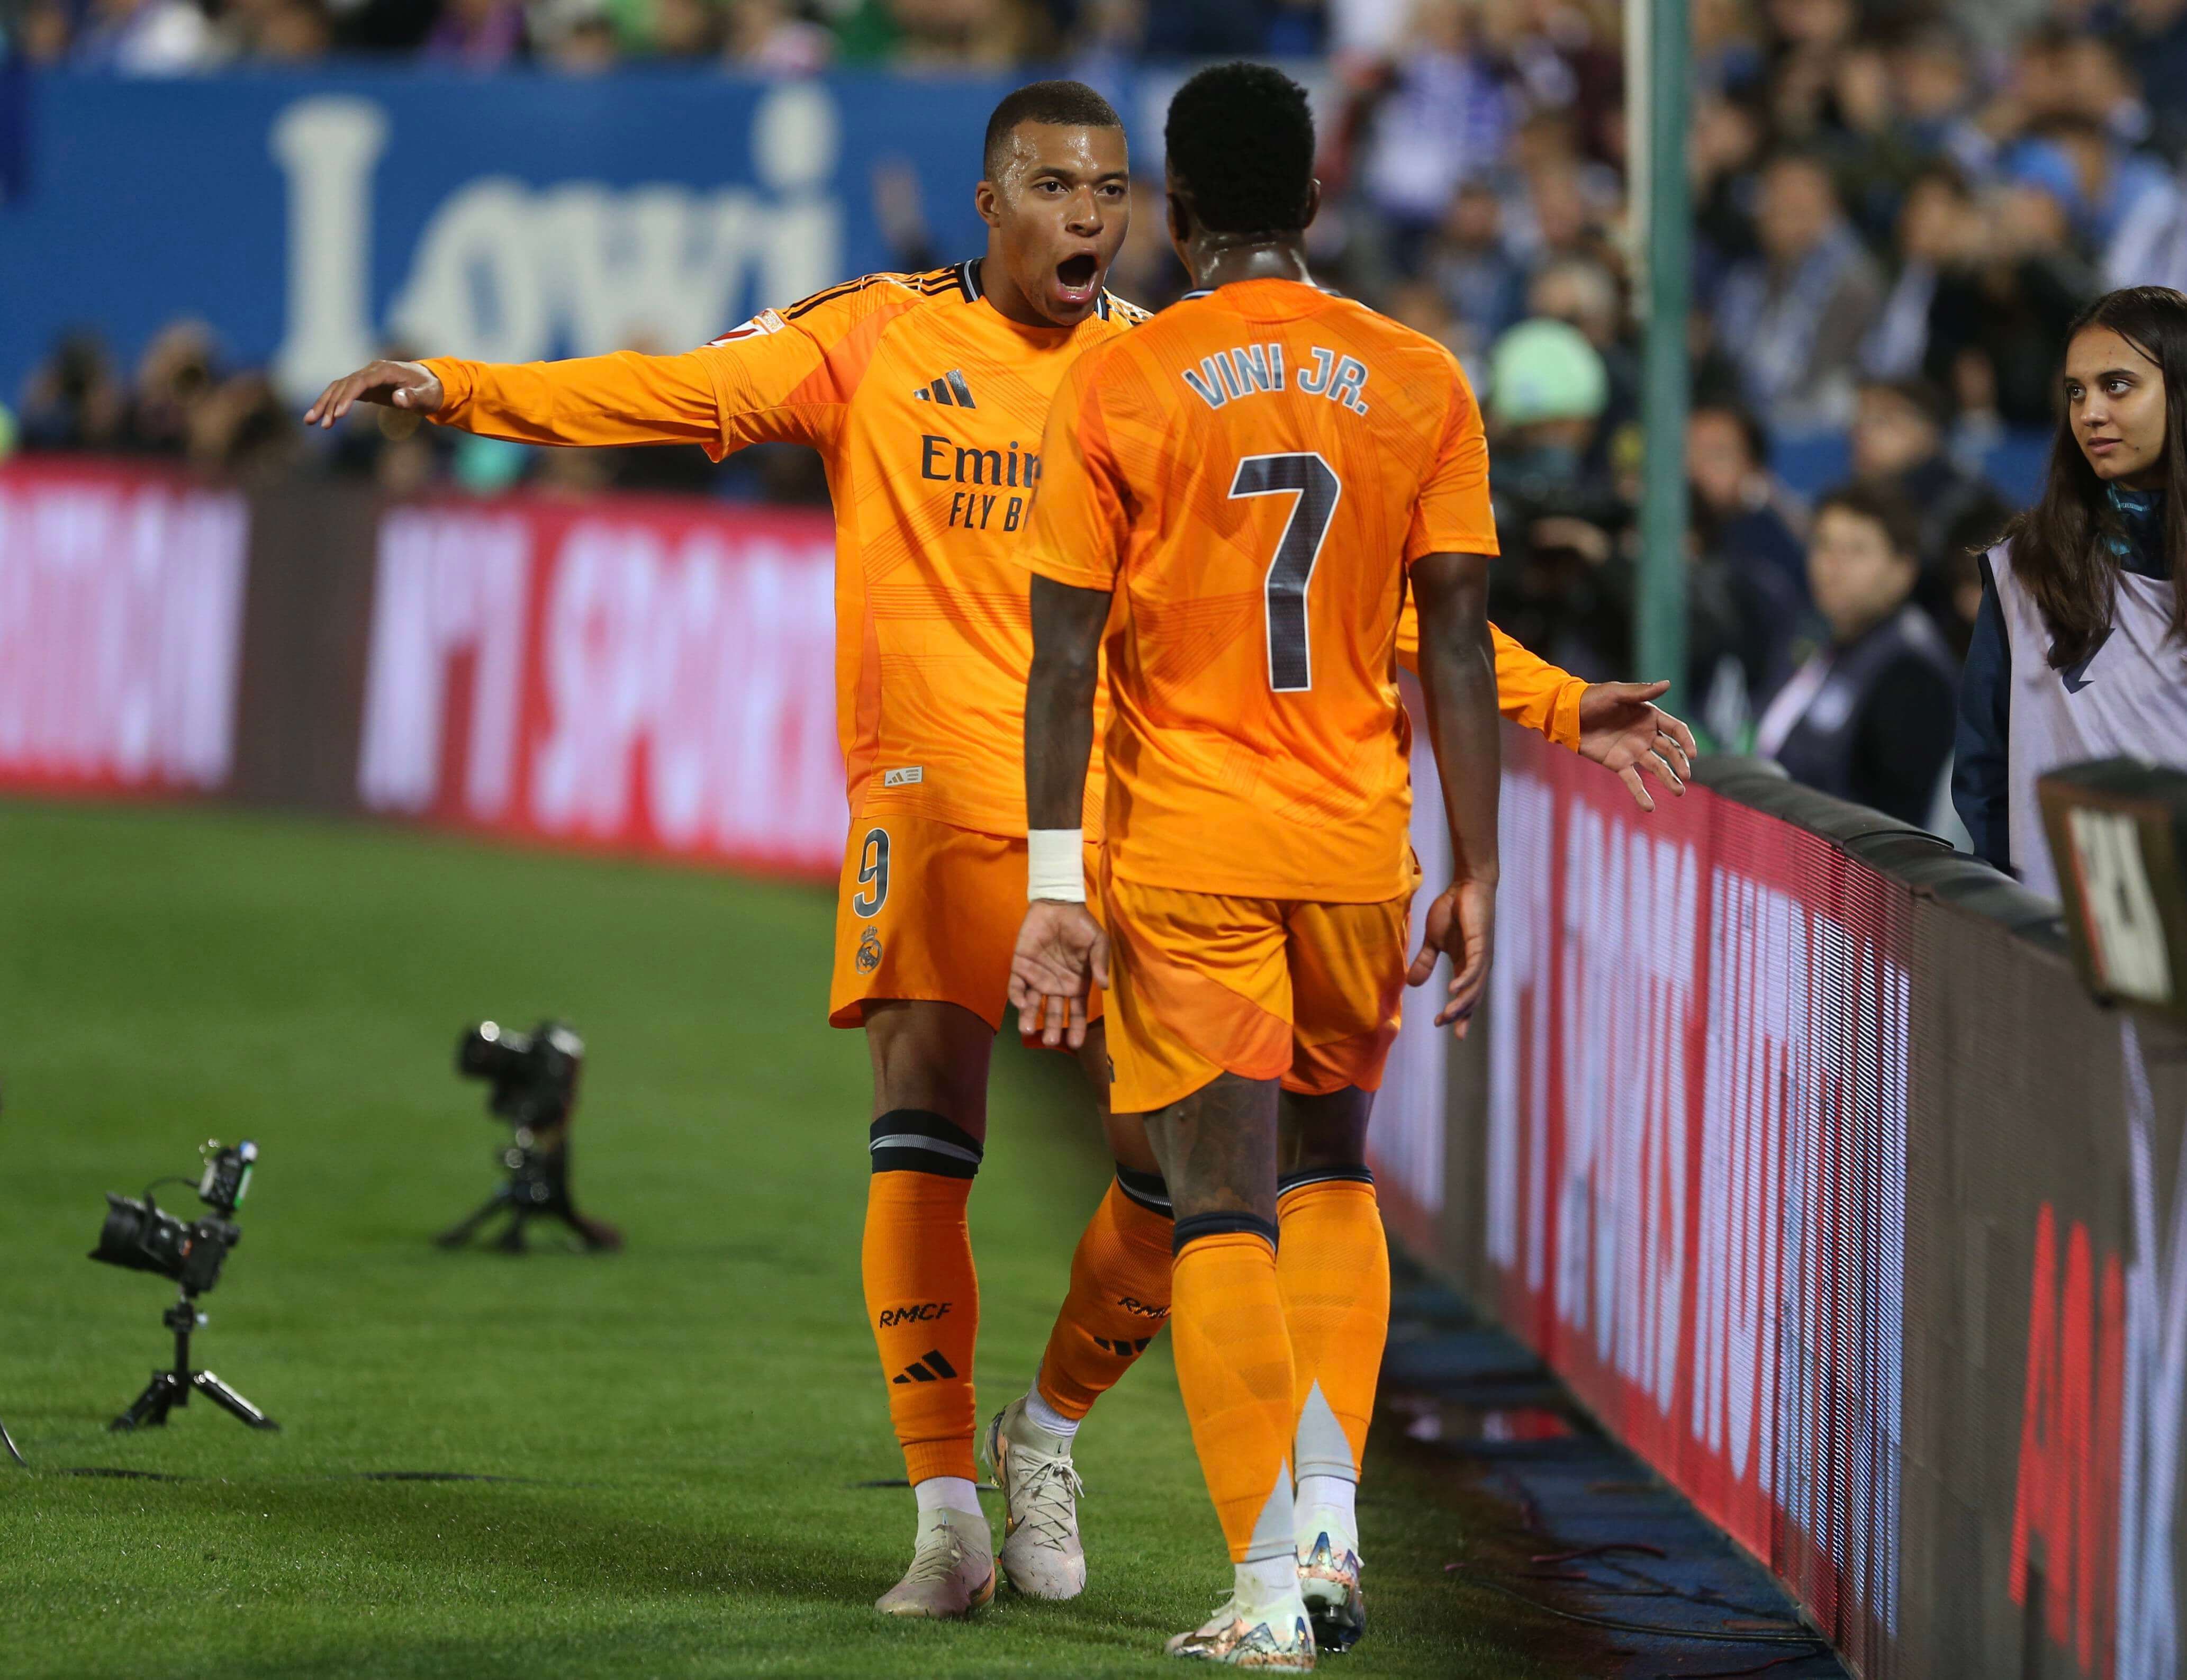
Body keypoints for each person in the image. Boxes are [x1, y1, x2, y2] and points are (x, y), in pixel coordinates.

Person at [303, 77, 1680, 1622]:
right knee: (924, 1112)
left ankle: (1052, 1429)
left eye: (1107, 187)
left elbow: (1341, 614)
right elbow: (683, 393)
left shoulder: (1155, 370)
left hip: (1130, 818)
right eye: (1051, 184)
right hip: (933, 799)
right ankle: (948, 1508)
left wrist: (1555, 702)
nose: (1085, 213)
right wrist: (467, 388)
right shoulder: (875, 334)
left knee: (1171, 1180)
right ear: (989, 199)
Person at [1005, 60, 1514, 1669]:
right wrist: (1478, 863)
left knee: (1215, 1202)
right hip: (1363, 845)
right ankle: (1336, 1523)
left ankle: (1268, 1587)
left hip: (1197, 849)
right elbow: (1457, 641)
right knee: (1336, 1169)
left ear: (1179, 205)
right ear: (1310, 199)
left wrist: (1054, 881)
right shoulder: (1421, 374)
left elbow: (1066, 661)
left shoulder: (1125, 378)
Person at [1955, 285, 2187, 898]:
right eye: (2075, 392)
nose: (2089, 413)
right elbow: (1984, 776)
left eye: (2118, 386)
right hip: (2053, 954)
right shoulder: (2021, 573)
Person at [1756, 481, 1958, 826]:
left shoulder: (1912, 676)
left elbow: (1894, 830)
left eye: (1857, 551)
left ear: (1903, 570)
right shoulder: (1809, 639)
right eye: (1824, 545)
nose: (1832, 565)